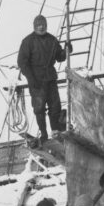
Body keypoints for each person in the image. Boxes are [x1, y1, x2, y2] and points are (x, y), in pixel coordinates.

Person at [17, 14, 72, 145]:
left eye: (43, 25)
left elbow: (60, 56)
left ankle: (55, 132)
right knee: (39, 108)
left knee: (55, 107)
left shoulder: (52, 40)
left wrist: (66, 50)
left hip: (50, 78)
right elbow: (22, 62)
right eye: (38, 25)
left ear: (46, 25)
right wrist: (31, 78)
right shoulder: (28, 41)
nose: (41, 27)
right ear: (35, 26)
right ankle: (44, 134)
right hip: (36, 80)